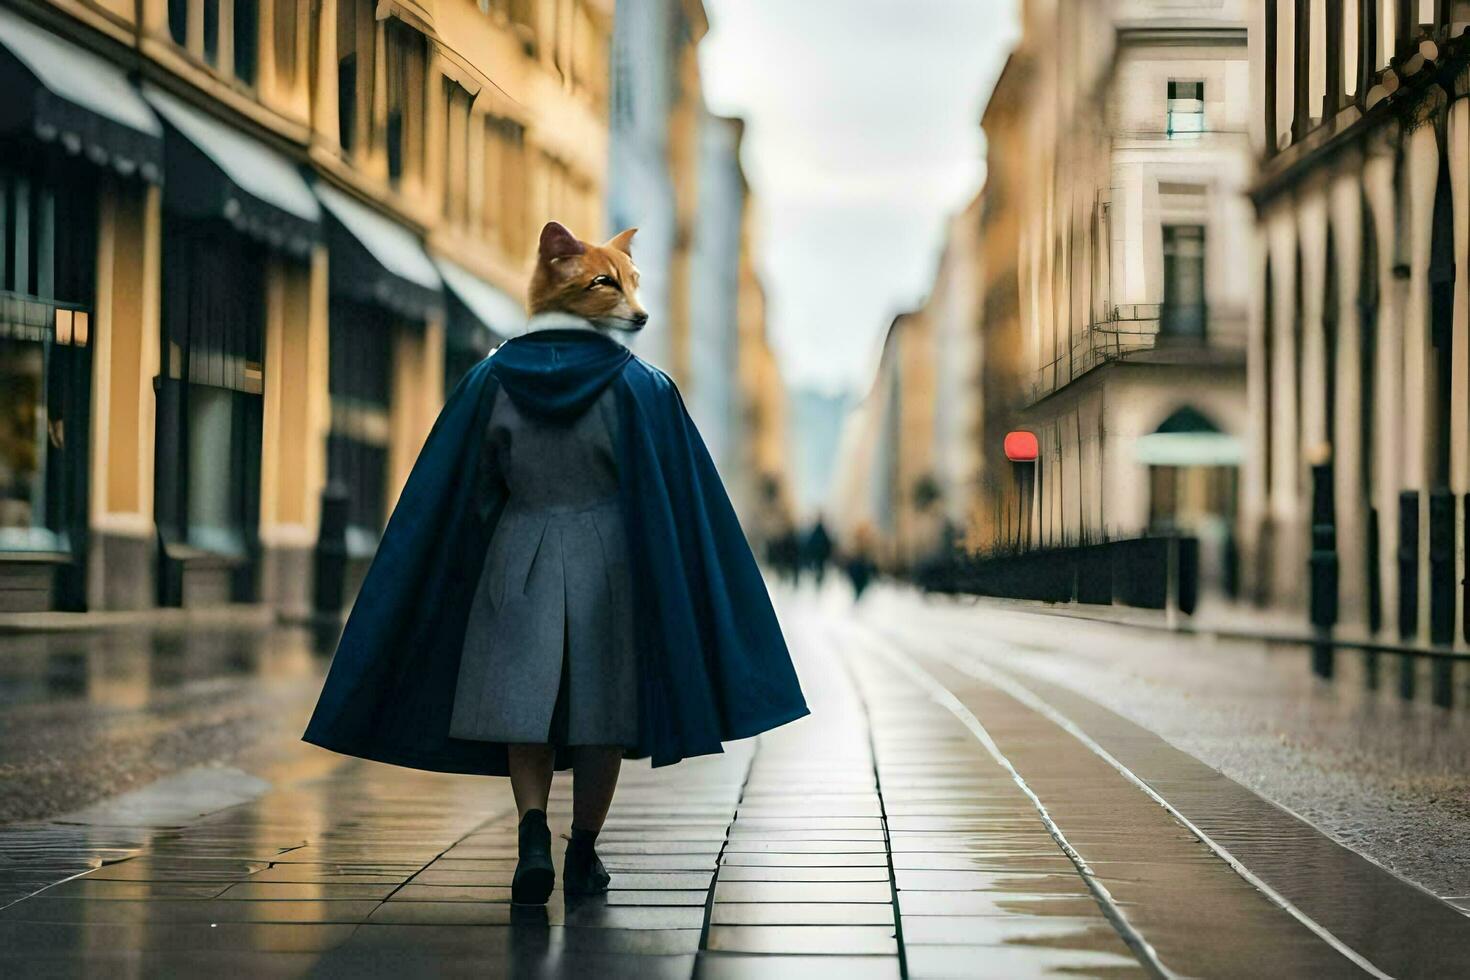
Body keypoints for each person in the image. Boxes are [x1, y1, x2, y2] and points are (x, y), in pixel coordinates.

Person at [304, 222, 809, 906]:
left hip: (519, 551)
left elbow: (458, 489)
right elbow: (677, 495)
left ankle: (533, 831)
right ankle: (585, 852)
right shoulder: (640, 386)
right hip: (609, 563)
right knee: (602, 716)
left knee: (523, 711)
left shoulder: (490, 378)